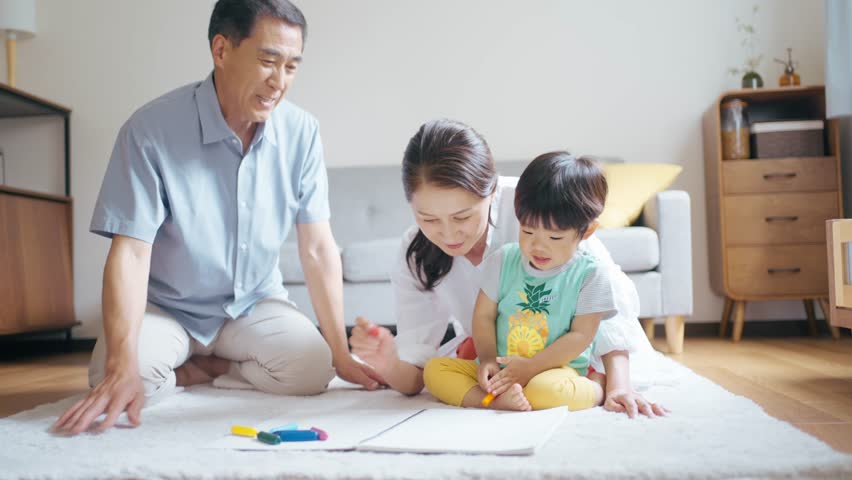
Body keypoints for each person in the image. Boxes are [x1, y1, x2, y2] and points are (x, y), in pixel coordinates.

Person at [52, 0, 381, 436]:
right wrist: (120, 363)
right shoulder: (150, 130)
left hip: (253, 303)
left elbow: (318, 247)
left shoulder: (303, 132)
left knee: (312, 370)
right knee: (125, 381)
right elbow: (130, 252)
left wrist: (340, 351)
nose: (279, 82)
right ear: (221, 50)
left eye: (291, 67)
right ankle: (192, 364)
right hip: (167, 306)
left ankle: (208, 369)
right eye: (268, 61)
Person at [350, 119, 667, 418]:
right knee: (440, 369)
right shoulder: (416, 252)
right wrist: (388, 362)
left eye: (462, 217)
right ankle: (496, 400)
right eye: (428, 219)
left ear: (493, 191)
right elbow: (416, 374)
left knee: (551, 388)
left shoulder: (539, 208)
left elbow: (607, 310)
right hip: (501, 358)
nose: (447, 234)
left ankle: (590, 386)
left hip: (569, 359)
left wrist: (618, 385)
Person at [424, 152, 613, 412]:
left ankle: (596, 388)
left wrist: (530, 368)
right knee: (435, 370)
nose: (537, 246)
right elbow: (483, 316)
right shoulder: (503, 260)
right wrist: (488, 360)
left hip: (553, 370)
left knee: (544, 392)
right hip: (501, 369)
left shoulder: (590, 274)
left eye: (554, 238)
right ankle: (494, 401)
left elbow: (581, 335)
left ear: (586, 231)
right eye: (527, 231)